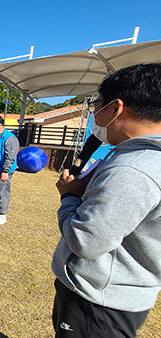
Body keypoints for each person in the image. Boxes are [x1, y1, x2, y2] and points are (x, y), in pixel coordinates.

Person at [52, 63, 161, 338]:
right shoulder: (137, 158)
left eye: (97, 104)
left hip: (99, 301)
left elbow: (86, 241)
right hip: (116, 294)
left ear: (116, 107)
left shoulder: (133, 169)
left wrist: (69, 196)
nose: (94, 112)